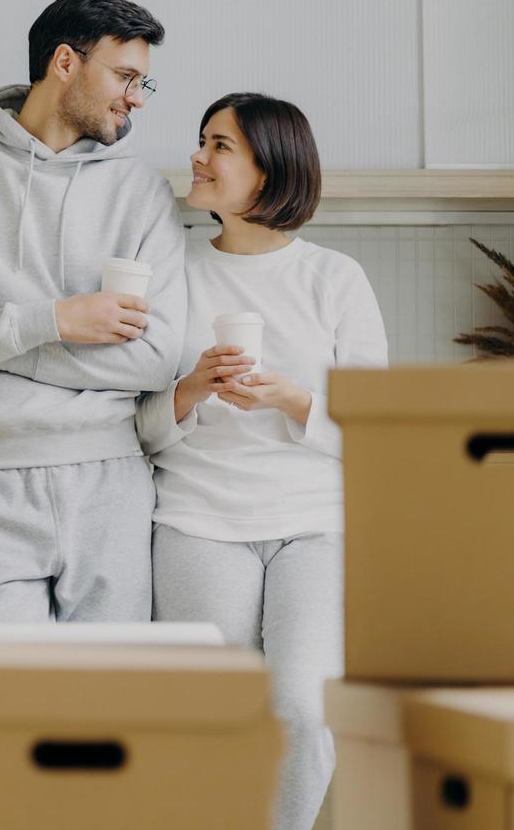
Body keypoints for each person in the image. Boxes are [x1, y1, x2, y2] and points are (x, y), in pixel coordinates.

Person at [0, 0, 186, 622]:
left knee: (106, 710)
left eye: (142, 84)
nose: (136, 98)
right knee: (5, 709)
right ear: (67, 63)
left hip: (111, 481)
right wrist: (61, 319)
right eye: (126, 77)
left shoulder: (142, 193)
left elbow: (156, 361)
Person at [138, 93, 389, 830]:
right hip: (196, 520)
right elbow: (139, 430)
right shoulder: (171, 273)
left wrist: (291, 399)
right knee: (218, 716)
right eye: (202, 140)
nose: (197, 156)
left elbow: (376, 431)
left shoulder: (333, 278)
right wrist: (187, 391)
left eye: (220, 145)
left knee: (302, 710)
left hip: (313, 524)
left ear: (268, 171)